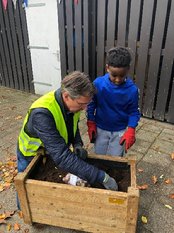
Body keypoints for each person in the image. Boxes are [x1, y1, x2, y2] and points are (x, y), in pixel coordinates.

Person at [16, 71, 118, 207]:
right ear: (66, 96)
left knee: (43, 189)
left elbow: (72, 126)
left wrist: (77, 144)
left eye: (87, 103)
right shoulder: (42, 114)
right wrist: (101, 177)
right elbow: (62, 157)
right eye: (82, 104)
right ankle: (22, 211)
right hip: (30, 154)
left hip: (49, 150)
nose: (85, 108)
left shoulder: (72, 105)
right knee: (25, 187)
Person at [87, 47, 140, 156]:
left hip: (119, 131)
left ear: (128, 69)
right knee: (99, 155)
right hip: (100, 128)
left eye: (122, 75)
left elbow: (134, 112)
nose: (117, 79)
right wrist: (91, 122)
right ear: (107, 68)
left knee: (115, 158)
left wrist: (131, 129)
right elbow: (91, 104)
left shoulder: (132, 90)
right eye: (114, 75)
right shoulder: (98, 84)